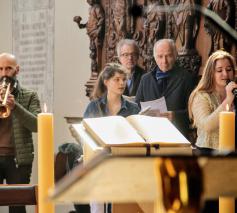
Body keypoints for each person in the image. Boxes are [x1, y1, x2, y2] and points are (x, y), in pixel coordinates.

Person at [84, 63, 140, 213]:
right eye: (117, 79)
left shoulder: (133, 108)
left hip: (124, 162)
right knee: (98, 206)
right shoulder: (94, 107)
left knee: (120, 206)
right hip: (98, 161)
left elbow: (138, 137)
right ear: (106, 81)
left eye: (124, 79)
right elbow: (85, 134)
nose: (122, 83)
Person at [0, 53, 41, 213]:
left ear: (17, 70)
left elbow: (37, 125)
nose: (4, 73)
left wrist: (15, 106)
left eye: (8, 68)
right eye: (0, 69)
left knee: (17, 207)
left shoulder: (29, 96)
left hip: (19, 161)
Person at [135, 39, 195, 139]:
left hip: (177, 135)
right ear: (154, 57)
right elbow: (136, 107)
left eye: (169, 56)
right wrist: (141, 115)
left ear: (175, 55)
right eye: (160, 56)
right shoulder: (145, 79)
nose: (164, 61)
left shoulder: (186, 78)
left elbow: (194, 112)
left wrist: (175, 116)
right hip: (150, 135)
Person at [188, 50, 237, 150]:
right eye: (219, 70)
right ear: (211, 73)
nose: (225, 74)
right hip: (208, 152)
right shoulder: (201, 96)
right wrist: (228, 100)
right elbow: (207, 126)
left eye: (229, 69)